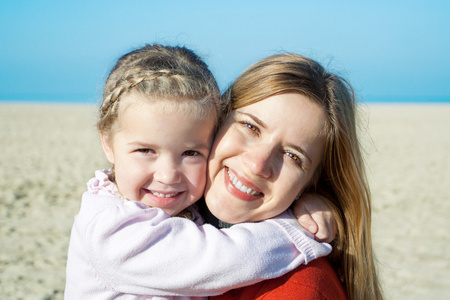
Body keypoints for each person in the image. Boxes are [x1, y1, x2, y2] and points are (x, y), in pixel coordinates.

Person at [64, 44, 333, 299]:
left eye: (191, 153)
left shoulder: (180, 207)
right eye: (146, 151)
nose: (168, 176)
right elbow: (226, 259)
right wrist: (297, 230)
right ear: (108, 143)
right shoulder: (112, 232)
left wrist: (304, 201)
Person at [205, 53, 383, 299]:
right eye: (250, 127)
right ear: (217, 118)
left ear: (311, 184)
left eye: (292, 156)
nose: (258, 165)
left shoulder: (299, 290)